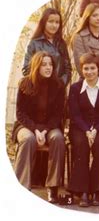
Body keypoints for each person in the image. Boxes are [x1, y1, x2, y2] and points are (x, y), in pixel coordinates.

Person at [13, 51, 65, 203]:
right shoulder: (25, 83)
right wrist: (35, 129)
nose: (48, 67)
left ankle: (52, 187)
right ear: (36, 66)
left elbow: (58, 114)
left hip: (50, 126)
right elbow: (20, 113)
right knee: (28, 139)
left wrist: (45, 130)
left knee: (58, 138)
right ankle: (22, 186)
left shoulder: (58, 85)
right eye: (44, 64)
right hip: (26, 125)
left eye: (50, 64)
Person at [68, 52, 99, 207]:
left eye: (92, 68)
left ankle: (97, 191)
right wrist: (87, 130)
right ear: (81, 70)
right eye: (85, 69)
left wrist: (96, 130)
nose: (89, 72)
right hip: (79, 127)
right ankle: (82, 191)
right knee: (81, 144)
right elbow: (74, 114)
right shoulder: (75, 88)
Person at [23, 8, 72, 86]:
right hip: (38, 89)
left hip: (57, 90)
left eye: (57, 22)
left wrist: (61, 83)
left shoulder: (61, 43)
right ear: (43, 22)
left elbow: (68, 69)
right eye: (50, 21)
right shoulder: (34, 43)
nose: (54, 25)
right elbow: (26, 69)